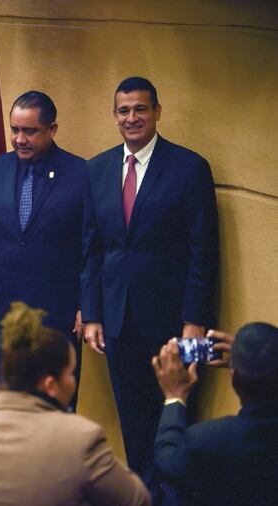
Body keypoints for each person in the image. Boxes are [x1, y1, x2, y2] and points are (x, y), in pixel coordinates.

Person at [81, 76, 219, 499]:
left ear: (158, 111)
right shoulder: (98, 169)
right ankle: (144, 496)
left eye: (140, 109)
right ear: (114, 116)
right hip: (118, 322)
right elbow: (91, 249)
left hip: (173, 324)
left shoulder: (189, 168)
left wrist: (194, 321)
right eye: (123, 110)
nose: (132, 118)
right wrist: (92, 314)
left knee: (177, 421)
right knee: (135, 423)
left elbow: (203, 252)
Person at [0, 301, 150, 506]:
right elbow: (138, 499)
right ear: (51, 385)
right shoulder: (80, 439)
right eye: (70, 373)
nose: (73, 380)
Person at [0, 91, 87, 392]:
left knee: (55, 401)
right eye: (14, 130)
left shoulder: (80, 174)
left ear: (52, 130)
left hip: (59, 312)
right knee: (9, 396)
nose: (19, 139)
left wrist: (88, 305)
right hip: (7, 310)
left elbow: (92, 245)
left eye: (29, 131)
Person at [152, 323, 278, 505]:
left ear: (233, 376)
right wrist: (257, 361)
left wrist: (174, 398)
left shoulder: (208, 440)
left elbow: (168, 462)